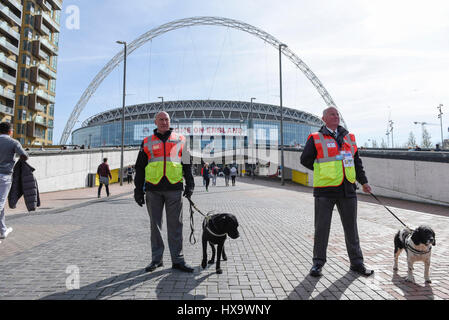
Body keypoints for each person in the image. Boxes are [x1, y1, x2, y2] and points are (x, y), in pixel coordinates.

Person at [300, 106, 374, 278]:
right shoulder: (316, 138)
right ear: (324, 118)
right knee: (321, 229)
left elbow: (357, 162)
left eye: (337, 114)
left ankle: (357, 263)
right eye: (332, 114)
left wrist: (364, 182)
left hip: (348, 189)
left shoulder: (349, 138)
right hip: (325, 190)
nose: (336, 116)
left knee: (351, 229)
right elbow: (305, 160)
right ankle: (317, 264)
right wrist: (322, 171)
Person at [134, 111, 195, 273]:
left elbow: (188, 164)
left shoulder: (181, 140)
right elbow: (139, 168)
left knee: (176, 226)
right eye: (160, 119)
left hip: (174, 187)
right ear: (155, 122)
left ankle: (178, 260)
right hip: (153, 189)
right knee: (155, 226)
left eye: (166, 119)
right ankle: (157, 260)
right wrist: (138, 190)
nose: (164, 122)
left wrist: (190, 185)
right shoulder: (146, 142)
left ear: (170, 121)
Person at [0, 122, 28, 239]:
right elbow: (24, 156)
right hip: (4, 176)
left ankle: (3, 230)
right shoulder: (13, 142)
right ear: (10, 131)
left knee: (1, 205)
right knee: (0, 203)